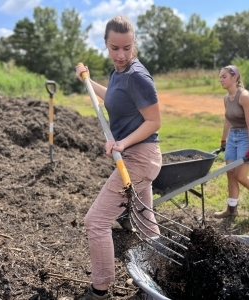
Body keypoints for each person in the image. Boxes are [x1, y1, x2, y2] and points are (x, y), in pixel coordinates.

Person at [75, 15, 162, 300]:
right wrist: (88, 82)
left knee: (96, 222)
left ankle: (99, 290)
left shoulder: (137, 76)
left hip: (139, 157)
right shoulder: (118, 74)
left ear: (134, 44)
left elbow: (154, 121)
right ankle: (160, 278)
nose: (121, 55)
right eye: (115, 48)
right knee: (146, 222)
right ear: (106, 45)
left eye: (127, 48)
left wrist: (121, 142)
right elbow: (113, 96)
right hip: (138, 157)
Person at [213, 65, 249, 218]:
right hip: (233, 137)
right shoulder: (226, 99)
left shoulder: (244, 96)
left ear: (234, 78)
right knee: (231, 174)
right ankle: (232, 210)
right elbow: (227, 122)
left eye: (224, 76)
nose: (221, 79)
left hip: (246, 137)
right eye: (220, 77)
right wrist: (223, 139)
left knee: (240, 176)